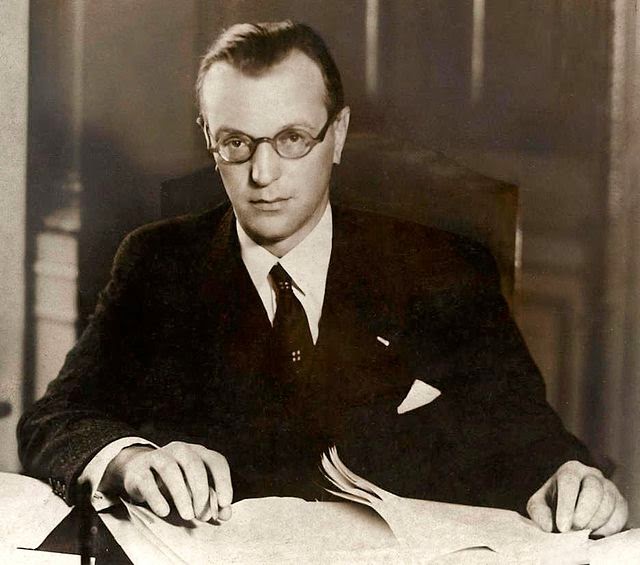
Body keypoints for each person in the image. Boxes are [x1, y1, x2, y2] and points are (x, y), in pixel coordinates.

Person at [18, 20, 628, 536]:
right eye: (236, 142)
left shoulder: (443, 268)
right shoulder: (157, 262)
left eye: (292, 139)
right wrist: (129, 460)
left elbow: (526, 431)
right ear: (209, 140)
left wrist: (569, 479)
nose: (262, 174)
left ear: (336, 135)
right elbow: (54, 420)